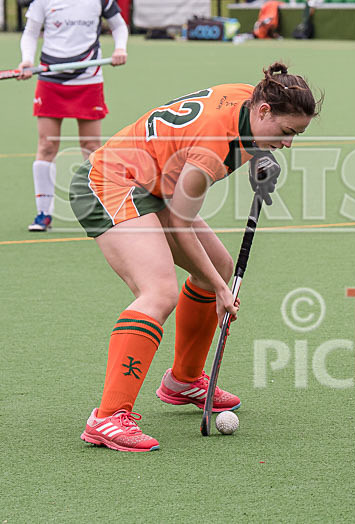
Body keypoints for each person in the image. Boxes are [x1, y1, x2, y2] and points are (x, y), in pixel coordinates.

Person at [69, 63, 321, 452]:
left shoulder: (249, 96)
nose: (288, 144)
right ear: (265, 111)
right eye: (287, 133)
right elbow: (180, 225)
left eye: (296, 136)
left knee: (217, 266)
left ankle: (183, 380)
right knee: (159, 292)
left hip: (153, 183)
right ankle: (107, 417)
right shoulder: (211, 150)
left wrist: (260, 157)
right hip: (111, 183)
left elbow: (237, 140)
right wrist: (222, 290)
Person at [17, 0, 129, 232]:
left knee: (91, 146)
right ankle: (43, 214)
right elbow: (31, 32)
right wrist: (27, 60)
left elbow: (119, 25)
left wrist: (120, 48)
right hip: (50, 80)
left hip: (88, 79)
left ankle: (99, 207)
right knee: (47, 146)